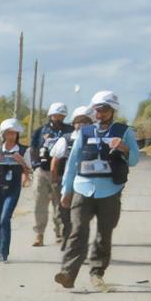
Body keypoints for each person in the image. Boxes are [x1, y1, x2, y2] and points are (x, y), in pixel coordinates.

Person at [55, 90, 141, 291]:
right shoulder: (85, 132)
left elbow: (134, 160)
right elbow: (73, 162)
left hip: (110, 190)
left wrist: (124, 148)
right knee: (78, 231)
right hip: (82, 188)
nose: (99, 114)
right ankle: (68, 273)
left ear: (113, 111)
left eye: (104, 110)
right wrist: (66, 190)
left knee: (104, 233)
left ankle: (97, 273)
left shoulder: (124, 132)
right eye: (97, 110)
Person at [0, 118, 32, 263]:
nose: (12, 136)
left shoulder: (24, 150)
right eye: (9, 133)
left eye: (14, 133)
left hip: (13, 190)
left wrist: (21, 162)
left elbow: (29, 169)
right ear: (3, 134)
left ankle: (4, 252)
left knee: (5, 219)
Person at [49, 106, 93, 250]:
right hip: (66, 182)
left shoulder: (95, 139)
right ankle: (66, 237)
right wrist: (54, 179)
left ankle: (77, 244)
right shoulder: (66, 139)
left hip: (86, 183)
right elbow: (55, 160)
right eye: (78, 121)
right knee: (65, 213)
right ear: (73, 124)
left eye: (85, 121)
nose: (81, 125)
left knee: (81, 215)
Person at [29, 103, 72, 246]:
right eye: (55, 115)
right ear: (50, 115)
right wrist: (35, 166)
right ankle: (39, 234)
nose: (58, 118)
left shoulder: (69, 131)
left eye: (61, 115)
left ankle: (59, 232)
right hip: (42, 171)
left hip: (61, 172)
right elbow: (33, 149)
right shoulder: (40, 131)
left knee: (59, 204)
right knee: (40, 203)